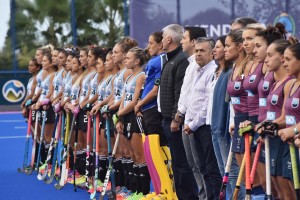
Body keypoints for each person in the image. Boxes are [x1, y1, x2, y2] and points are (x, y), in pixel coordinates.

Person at [159, 23, 198, 200]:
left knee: (183, 164)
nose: (160, 40)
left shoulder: (181, 59)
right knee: (178, 163)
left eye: (162, 37)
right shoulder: (169, 59)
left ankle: (188, 197)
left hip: (176, 121)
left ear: (169, 39)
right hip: (167, 119)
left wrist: (176, 118)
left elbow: (179, 92)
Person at [182, 37, 222, 200]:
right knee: (202, 168)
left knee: (212, 170)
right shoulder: (196, 69)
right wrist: (187, 121)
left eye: (202, 51)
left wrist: (193, 124)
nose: (198, 54)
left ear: (212, 53)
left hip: (204, 126)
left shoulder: (212, 70)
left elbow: (207, 104)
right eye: (196, 50)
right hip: (193, 126)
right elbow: (190, 98)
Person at [175, 26, 207, 199]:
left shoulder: (204, 66)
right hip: (187, 118)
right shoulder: (190, 65)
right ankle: (202, 195)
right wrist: (180, 113)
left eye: (184, 38)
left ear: (193, 41)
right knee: (193, 164)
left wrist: (191, 121)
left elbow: (203, 98)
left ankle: (205, 196)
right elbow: (185, 92)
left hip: (198, 122)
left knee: (202, 165)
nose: (181, 41)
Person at [208, 35, 239, 199]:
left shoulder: (231, 72)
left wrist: (230, 123)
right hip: (215, 127)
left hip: (226, 128)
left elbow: (231, 104)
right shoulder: (220, 72)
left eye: (225, 46)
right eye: (223, 46)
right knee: (223, 172)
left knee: (232, 172)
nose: (222, 49)